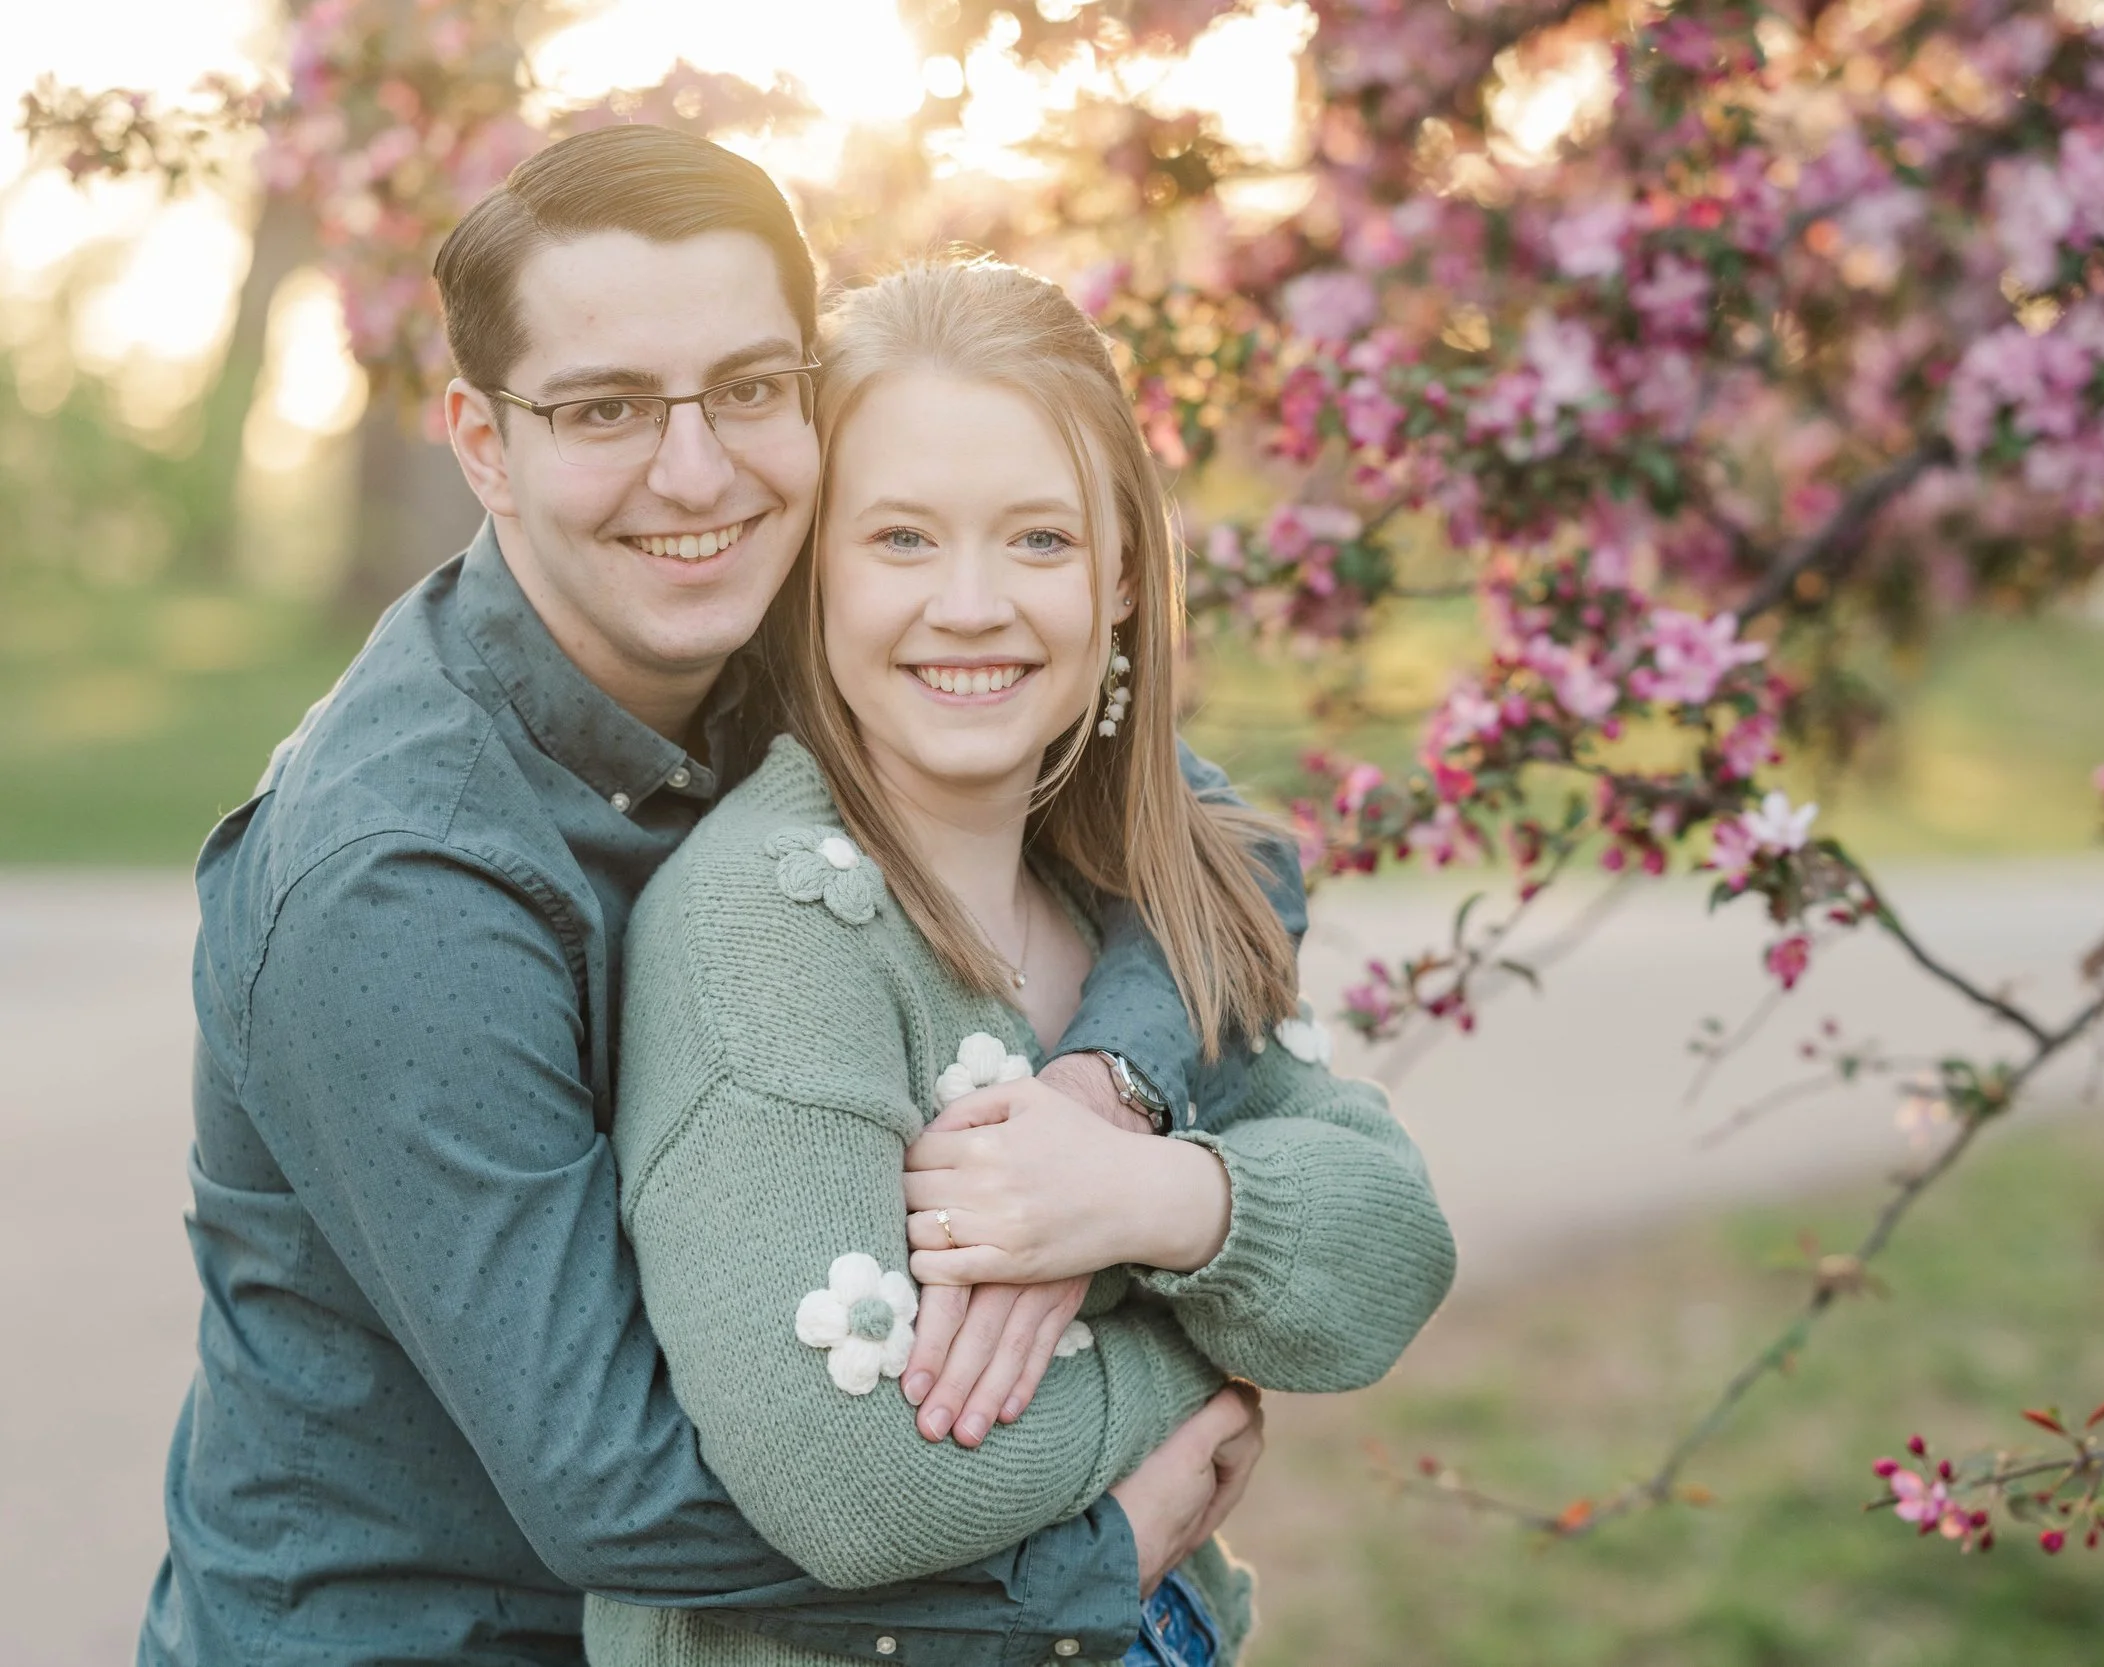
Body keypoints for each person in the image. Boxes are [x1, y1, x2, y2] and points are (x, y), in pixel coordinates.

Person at [144, 125, 1305, 1667]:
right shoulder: (396, 884)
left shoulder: (805, 635)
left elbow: (1219, 836)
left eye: (752, 389)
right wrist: (1100, 1523)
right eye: (603, 408)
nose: (695, 471)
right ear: (481, 442)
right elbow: (614, 1488)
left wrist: (1111, 1096)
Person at [582, 256, 1457, 1667]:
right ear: (811, 569)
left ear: (1120, 577)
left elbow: (1393, 1256)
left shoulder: (1135, 896)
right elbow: (854, 1482)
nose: (975, 604)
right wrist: (1207, 1364)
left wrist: (1152, 1193)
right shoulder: (770, 925)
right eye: (904, 540)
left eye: (1040, 541)